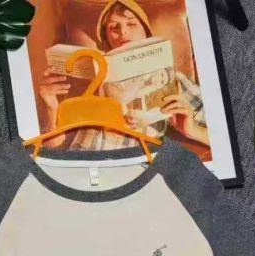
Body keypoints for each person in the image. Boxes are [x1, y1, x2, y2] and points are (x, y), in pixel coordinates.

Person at [38, 0, 209, 149]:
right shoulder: (86, 79)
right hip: (82, 159)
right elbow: (53, 145)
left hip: (129, 163)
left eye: (131, 23)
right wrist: (50, 107)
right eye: (114, 27)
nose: (123, 32)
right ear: (107, 40)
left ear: (146, 32)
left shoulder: (169, 78)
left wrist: (192, 131)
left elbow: (221, 135)